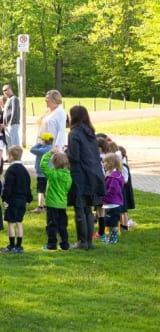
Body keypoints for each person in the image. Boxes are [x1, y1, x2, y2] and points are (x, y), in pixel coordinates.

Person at [67, 105, 105, 250]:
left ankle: (82, 241)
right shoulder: (90, 132)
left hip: (80, 174)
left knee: (80, 208)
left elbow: (74, 157)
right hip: (93, 174)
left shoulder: (75, 133)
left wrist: (65, 153)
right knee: (88, 209)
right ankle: (88, 241)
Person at [0, 146, 32, 254]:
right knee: (19, 222)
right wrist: (29, 198)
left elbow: (8, 187)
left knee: (10, 222)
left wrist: (5, 199)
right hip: (22, 199)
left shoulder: (11, 170)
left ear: (11, 156)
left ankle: (11, 245)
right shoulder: (24, 170)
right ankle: (19, 246)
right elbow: (28, 185)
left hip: (13, 199)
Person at [40, 149, 71, 251]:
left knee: (52, 225)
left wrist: (49, 153)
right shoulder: (68, 176)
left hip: (52, 203)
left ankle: (51, 244)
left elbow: (43, 165)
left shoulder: (52, 174)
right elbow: (67, 188)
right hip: (62, 204)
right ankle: (65, 244)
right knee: (63, 225)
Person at [100, 153, 125, 244]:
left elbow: (112, 191)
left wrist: (103, 198)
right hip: (108, 204)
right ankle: (109, 238)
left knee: (113, 223)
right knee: (108, 222)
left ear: (110, 163)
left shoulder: (114, 177)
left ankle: (113, 239)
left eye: (105, 162)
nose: (103, 164)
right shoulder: (110, 174)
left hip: (112, 204)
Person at [30, 132, 54, 213]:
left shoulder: (42, 150)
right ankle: (48, 206)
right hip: (50, 172)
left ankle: (40, 207)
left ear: (44, 141)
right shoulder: (52, 148)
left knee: (41, 190)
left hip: (41, 173)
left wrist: (39, 144)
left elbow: (32, 149)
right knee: (48, 190)